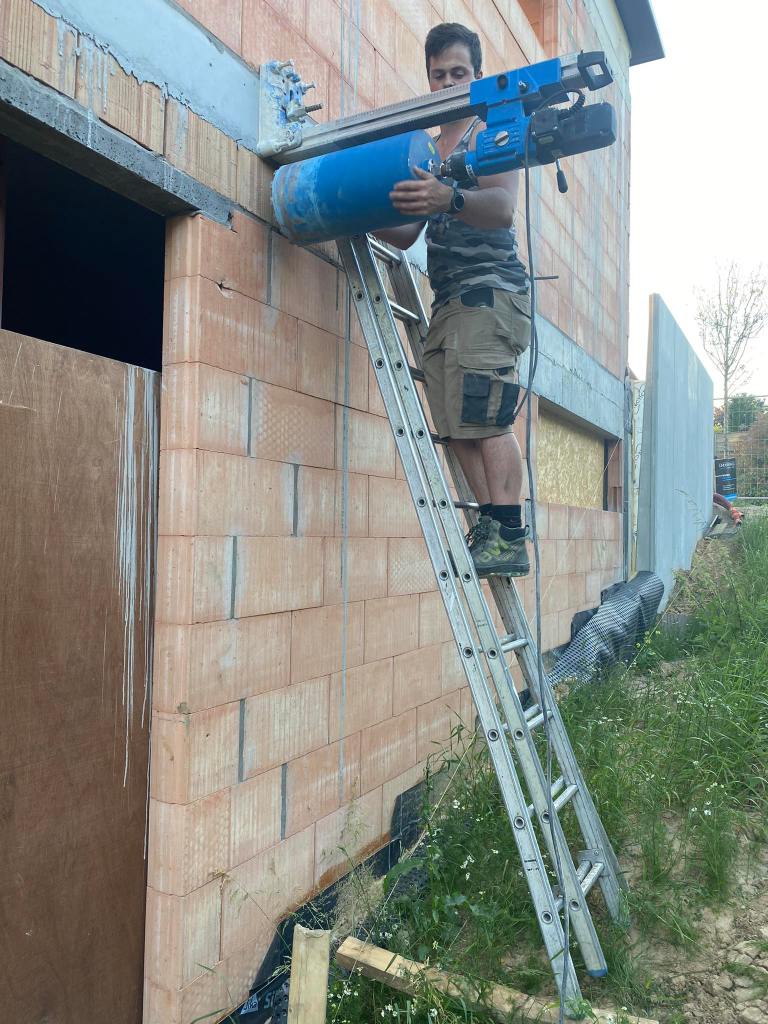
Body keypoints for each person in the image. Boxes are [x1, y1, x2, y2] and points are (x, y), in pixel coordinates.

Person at [374, 22, 532, 578]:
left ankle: (509, 534)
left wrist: (451, 197)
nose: (447, 84)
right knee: (456, 424)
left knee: (487, 419)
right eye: (438, 75)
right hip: (447, 300)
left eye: (458, 73)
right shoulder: (427, 148)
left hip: (490, 291)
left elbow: (503, 210)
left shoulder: (491, 134)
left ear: (477, 75)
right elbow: (406, 235)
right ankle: (492, 524)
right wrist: (354, 212)